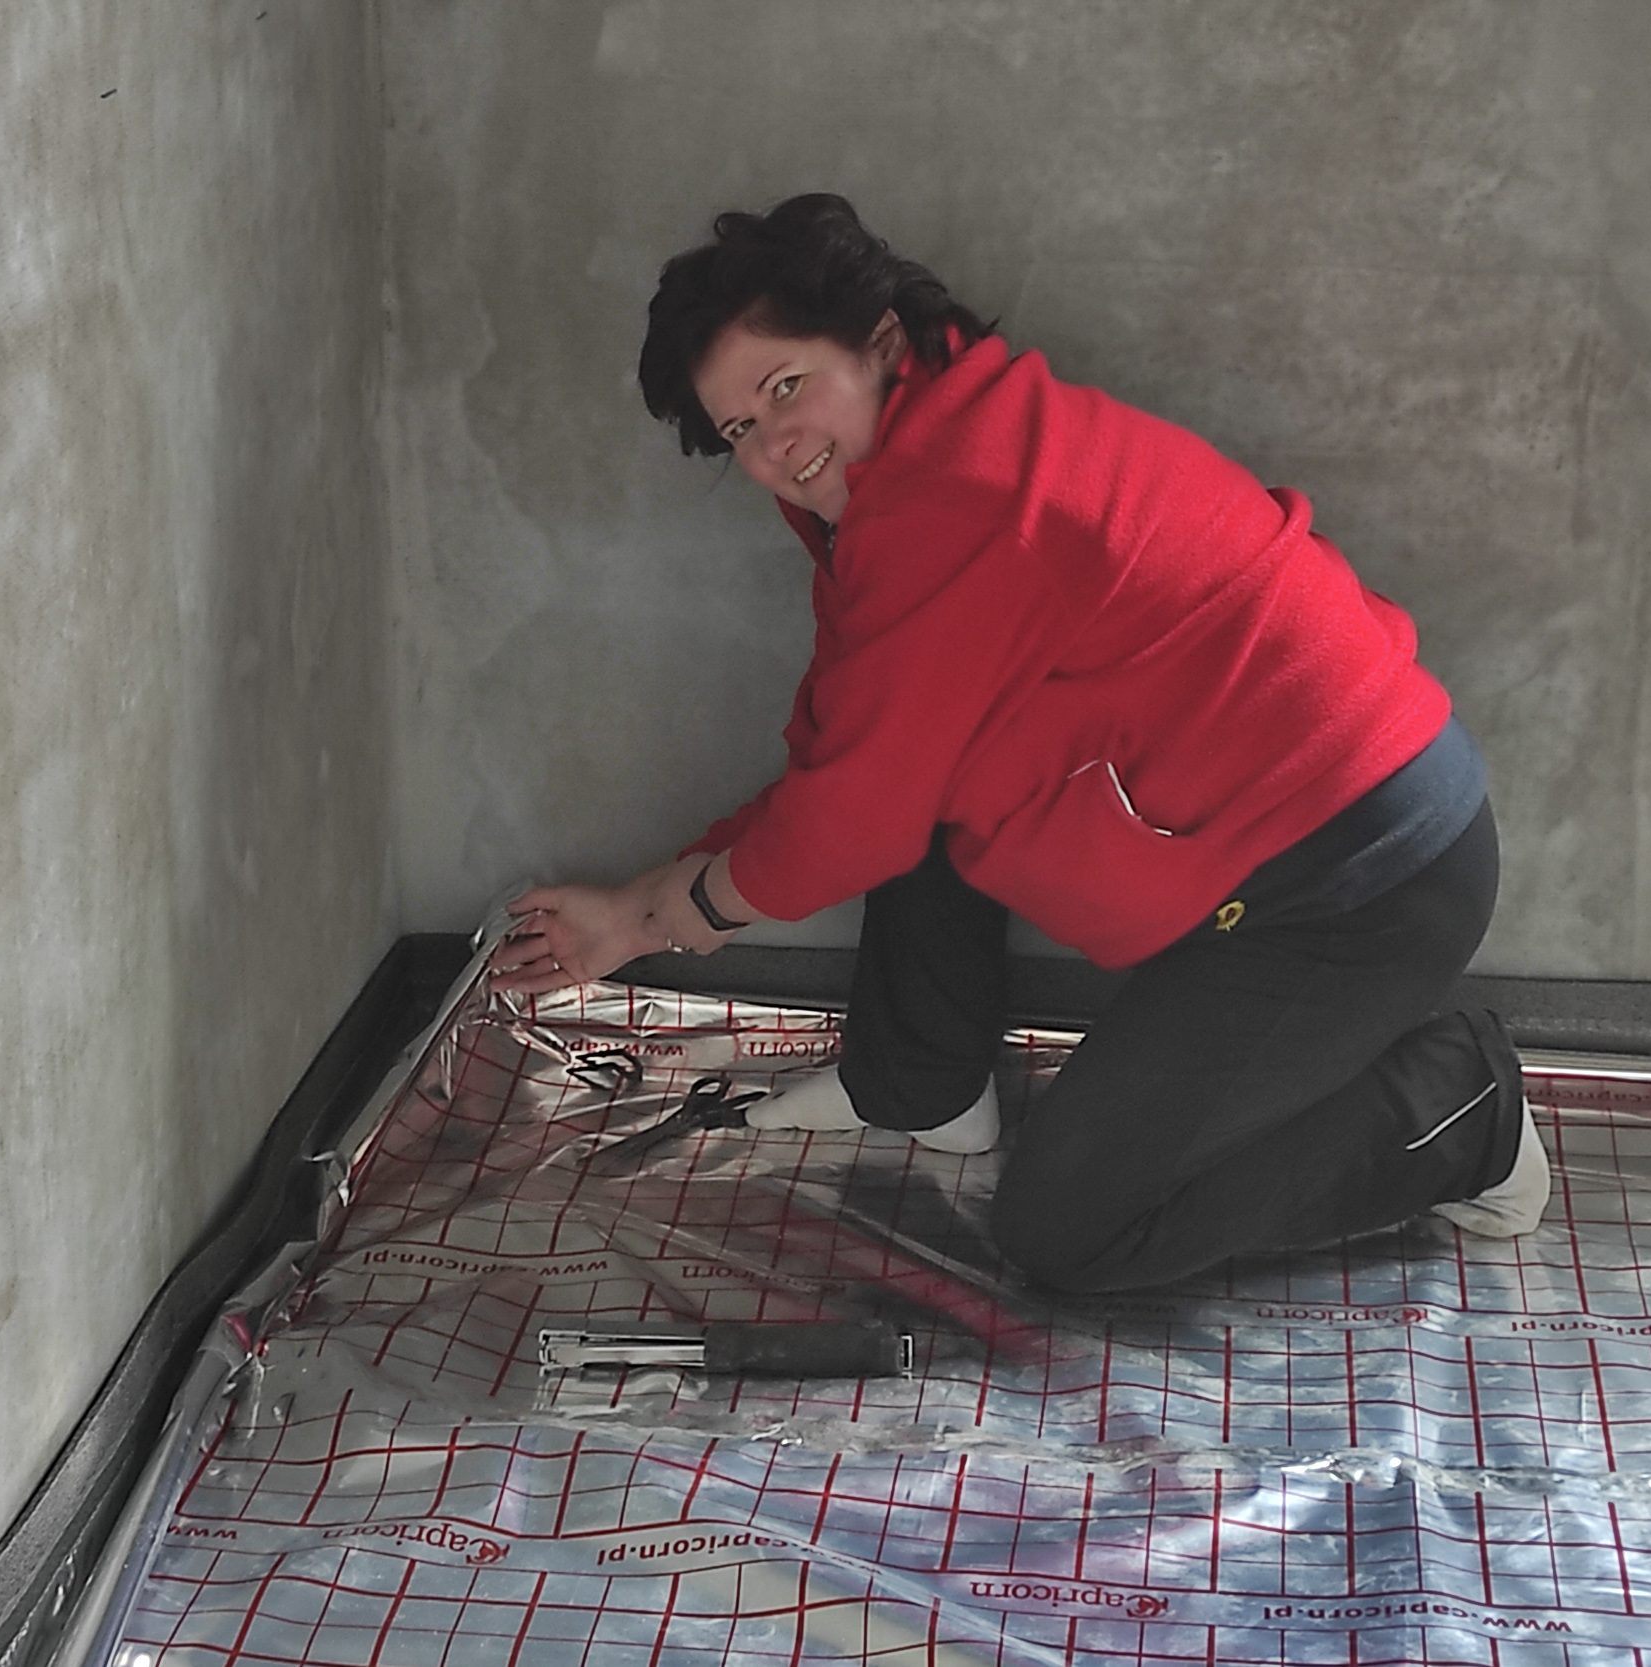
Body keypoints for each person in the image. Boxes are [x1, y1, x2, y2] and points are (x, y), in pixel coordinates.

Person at [489, 193, 1546, 1293]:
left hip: (1356, 883)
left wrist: (653, 917)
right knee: (912, 770)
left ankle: (1462, 1105)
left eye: (786, 386)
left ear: (880, 342)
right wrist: (653, 894)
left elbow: (845, 825)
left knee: (1069, 1225)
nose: (773, 446)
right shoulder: (922, 464)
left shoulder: (966, 495)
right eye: (739, 430)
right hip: (1275, 839)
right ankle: (921, 1081)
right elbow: (850, 754)